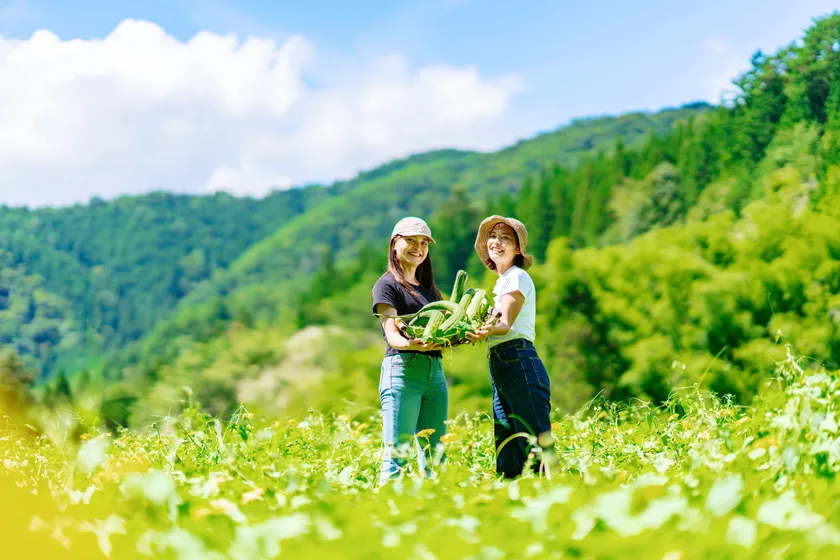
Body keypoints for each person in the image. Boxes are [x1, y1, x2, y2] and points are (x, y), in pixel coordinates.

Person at [466, 215, 554, 478]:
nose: (497, 242)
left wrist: (478, 331)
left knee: (535, 442)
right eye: (493, 237)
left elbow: (504, 324)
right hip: (502, 364)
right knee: (507, 448)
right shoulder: (503, 281)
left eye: (506, 239)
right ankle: (512, 503)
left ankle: (558, 498)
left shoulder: (517, 277)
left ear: (518, 249)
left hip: (519, 361)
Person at [371, 217, 448, 485]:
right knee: (397, 457)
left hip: (434, 375)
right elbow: (392, 335)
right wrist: (412, 343)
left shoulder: (430, 291)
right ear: (395, 244)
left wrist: (458, 337)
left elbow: (444, 332)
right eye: (411, 241)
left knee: (436, 459)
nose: (418, 247)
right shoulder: (386, 285)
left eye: (424, 243)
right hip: (403, 372)